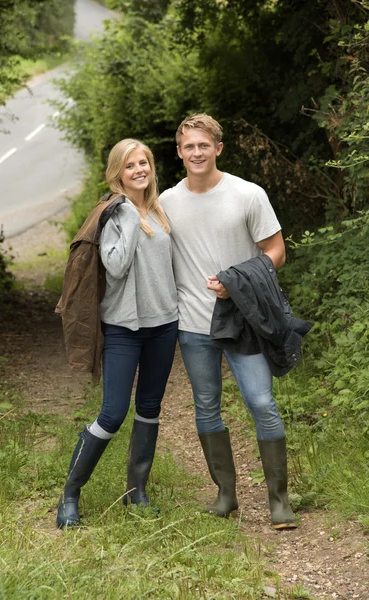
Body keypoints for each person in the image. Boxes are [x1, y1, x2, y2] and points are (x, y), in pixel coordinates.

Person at [160, 113, 298, 530]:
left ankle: (279, 500)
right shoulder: (166, 202)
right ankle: (225, 495)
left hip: (244, 322)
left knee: (261, 403)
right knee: (206, 407)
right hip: (194, 324)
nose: (197, 152)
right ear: (180, 152)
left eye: (205, 145)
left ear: (218, 148)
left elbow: (276, 252)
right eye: (189, 146)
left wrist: (237, 282)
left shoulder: (247, 195)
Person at [57, 139, 178, 528]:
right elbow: (117, 266)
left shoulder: (160, 211)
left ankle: (136, 493)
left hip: (163, 325)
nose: (139, 170)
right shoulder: (113, 214)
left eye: (144, 163)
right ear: (118, 174)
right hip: (124, 328)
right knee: (112, 413)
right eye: (130, 166)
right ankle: (70, 495)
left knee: (149, 409)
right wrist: (127, 213)